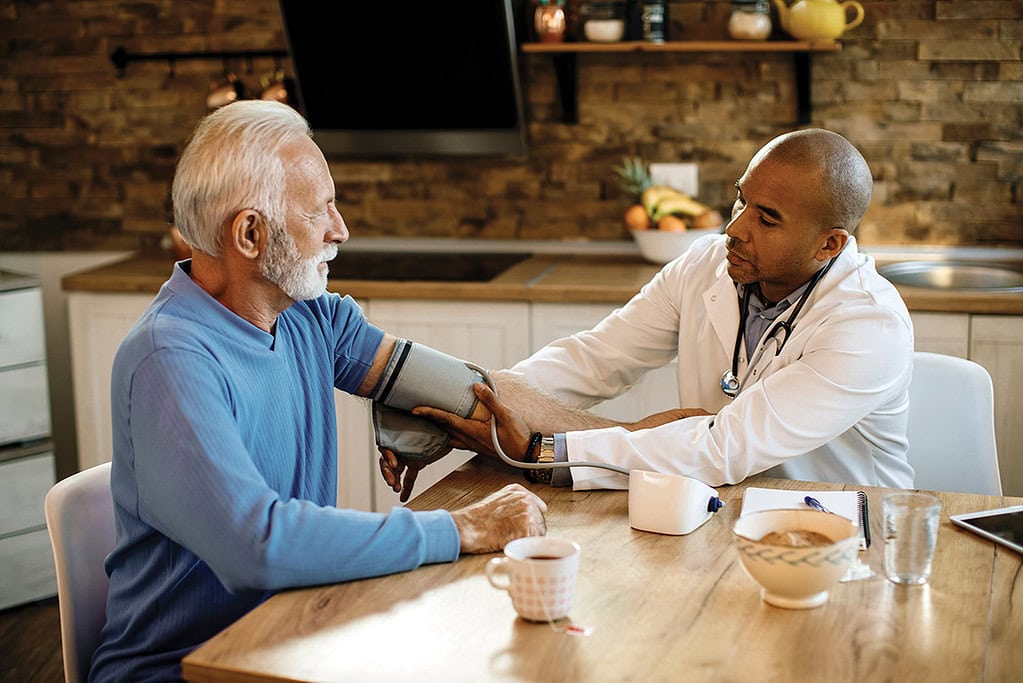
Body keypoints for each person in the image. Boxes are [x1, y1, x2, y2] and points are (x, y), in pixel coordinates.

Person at [89, 100, 547, 683]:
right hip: (182, 670)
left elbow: (468, 392)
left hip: (295, 638)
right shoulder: (169, 358)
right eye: (321, 211)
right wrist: (464, 527)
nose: (341, 230)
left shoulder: (313, 319)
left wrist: (621, 443)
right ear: (250, 234)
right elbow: (258, 546)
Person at [384, 128, 914, 498]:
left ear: (829, 245)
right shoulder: (709, 263)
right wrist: (474, 409)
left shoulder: (867, 325)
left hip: (846, 536)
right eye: (740, 201)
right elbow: (595, 358)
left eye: (767, 219)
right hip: (716, 510)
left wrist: (544, 451)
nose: (735, 228)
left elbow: (719, 447)